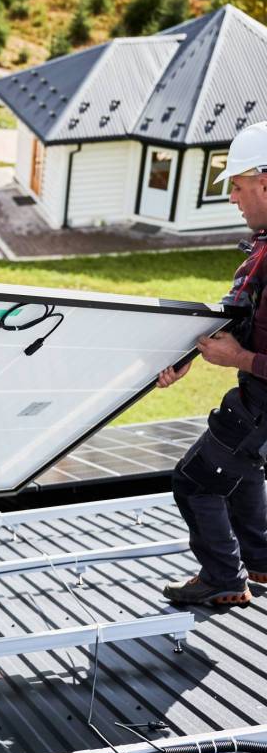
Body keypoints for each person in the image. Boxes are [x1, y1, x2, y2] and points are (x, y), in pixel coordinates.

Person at [158, 121, 267, 605]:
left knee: (194, 479)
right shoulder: (263, 250)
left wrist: (239, 358)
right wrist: (186, 356)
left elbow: (245, 341)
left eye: (238, 187)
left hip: (261, 405)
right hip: (255, 400)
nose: (232, 199)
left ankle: (223, 579)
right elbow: (240, 316)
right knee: (240, 472)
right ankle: (262, 563)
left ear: (265, 182)